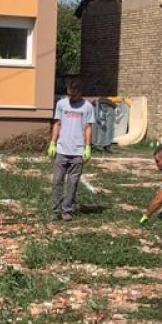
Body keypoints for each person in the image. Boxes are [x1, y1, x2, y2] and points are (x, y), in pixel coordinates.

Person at [48, 79, 94, 221]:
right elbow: (57, 123)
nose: (71, 97)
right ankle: (55, 210)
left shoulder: (87, 107)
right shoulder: (61, 104)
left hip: (77, 151)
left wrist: (87, 147)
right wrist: (53, 142)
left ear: (80, 92)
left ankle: (66, 210)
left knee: (73, 183)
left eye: (73, 95)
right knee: (57, 181)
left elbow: (88, 127)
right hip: (62, 149)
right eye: (69, 94)